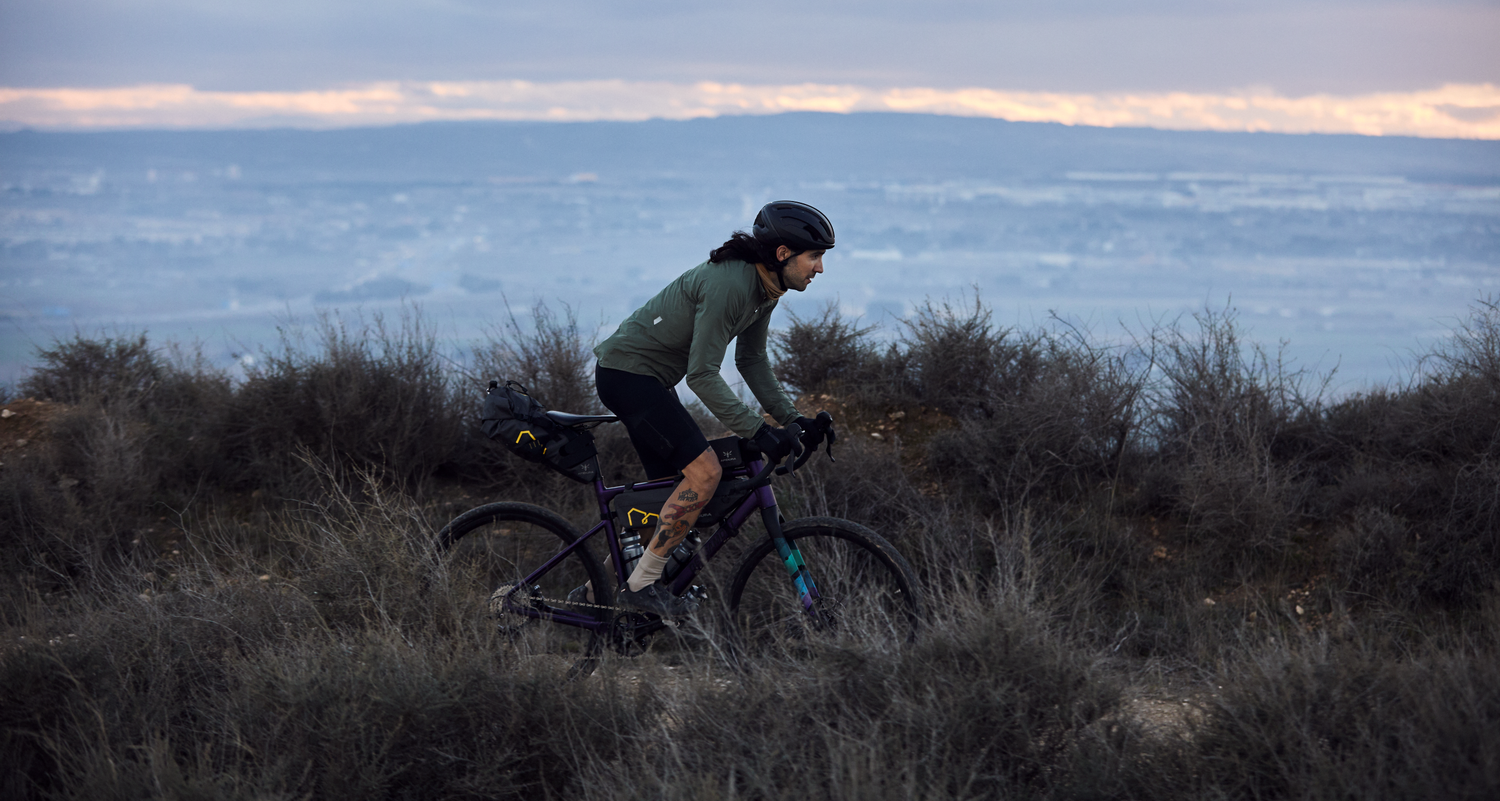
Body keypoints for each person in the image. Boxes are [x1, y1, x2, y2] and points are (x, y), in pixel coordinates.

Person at [578, 200, 836, 617]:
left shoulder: (765, 288)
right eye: (815, 256)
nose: (820, 268)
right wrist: (757, 429)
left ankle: (595, 594)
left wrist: (793, 420)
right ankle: (641, 588)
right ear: (783, 253)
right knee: (705, 473)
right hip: (627, 376)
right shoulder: (732, 285)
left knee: (670, 503)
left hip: (650, 381)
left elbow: (751, 361)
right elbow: (702, 374)